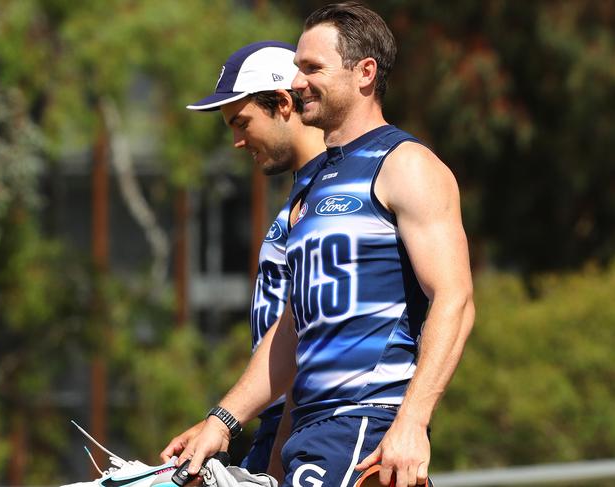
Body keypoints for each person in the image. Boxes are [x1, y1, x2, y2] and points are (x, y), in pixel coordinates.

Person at [179, 3, 475, 487]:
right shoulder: (314, 186)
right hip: (313, 429)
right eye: (297, 68)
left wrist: (412, 422)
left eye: (312, 68)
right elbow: (296, 328)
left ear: (364, 73)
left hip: (367, 423)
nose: (297, 83)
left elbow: (455, 299)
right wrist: (223, 421)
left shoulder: (406, 164)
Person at [159, 41, 326, 480]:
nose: (236, 141)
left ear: (284, 104)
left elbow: (310, 337)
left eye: (242, 122)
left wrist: (274, 462)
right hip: (280, 430)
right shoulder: (302, 197)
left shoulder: (336, 203)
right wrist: (222, 423)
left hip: (310, 435)